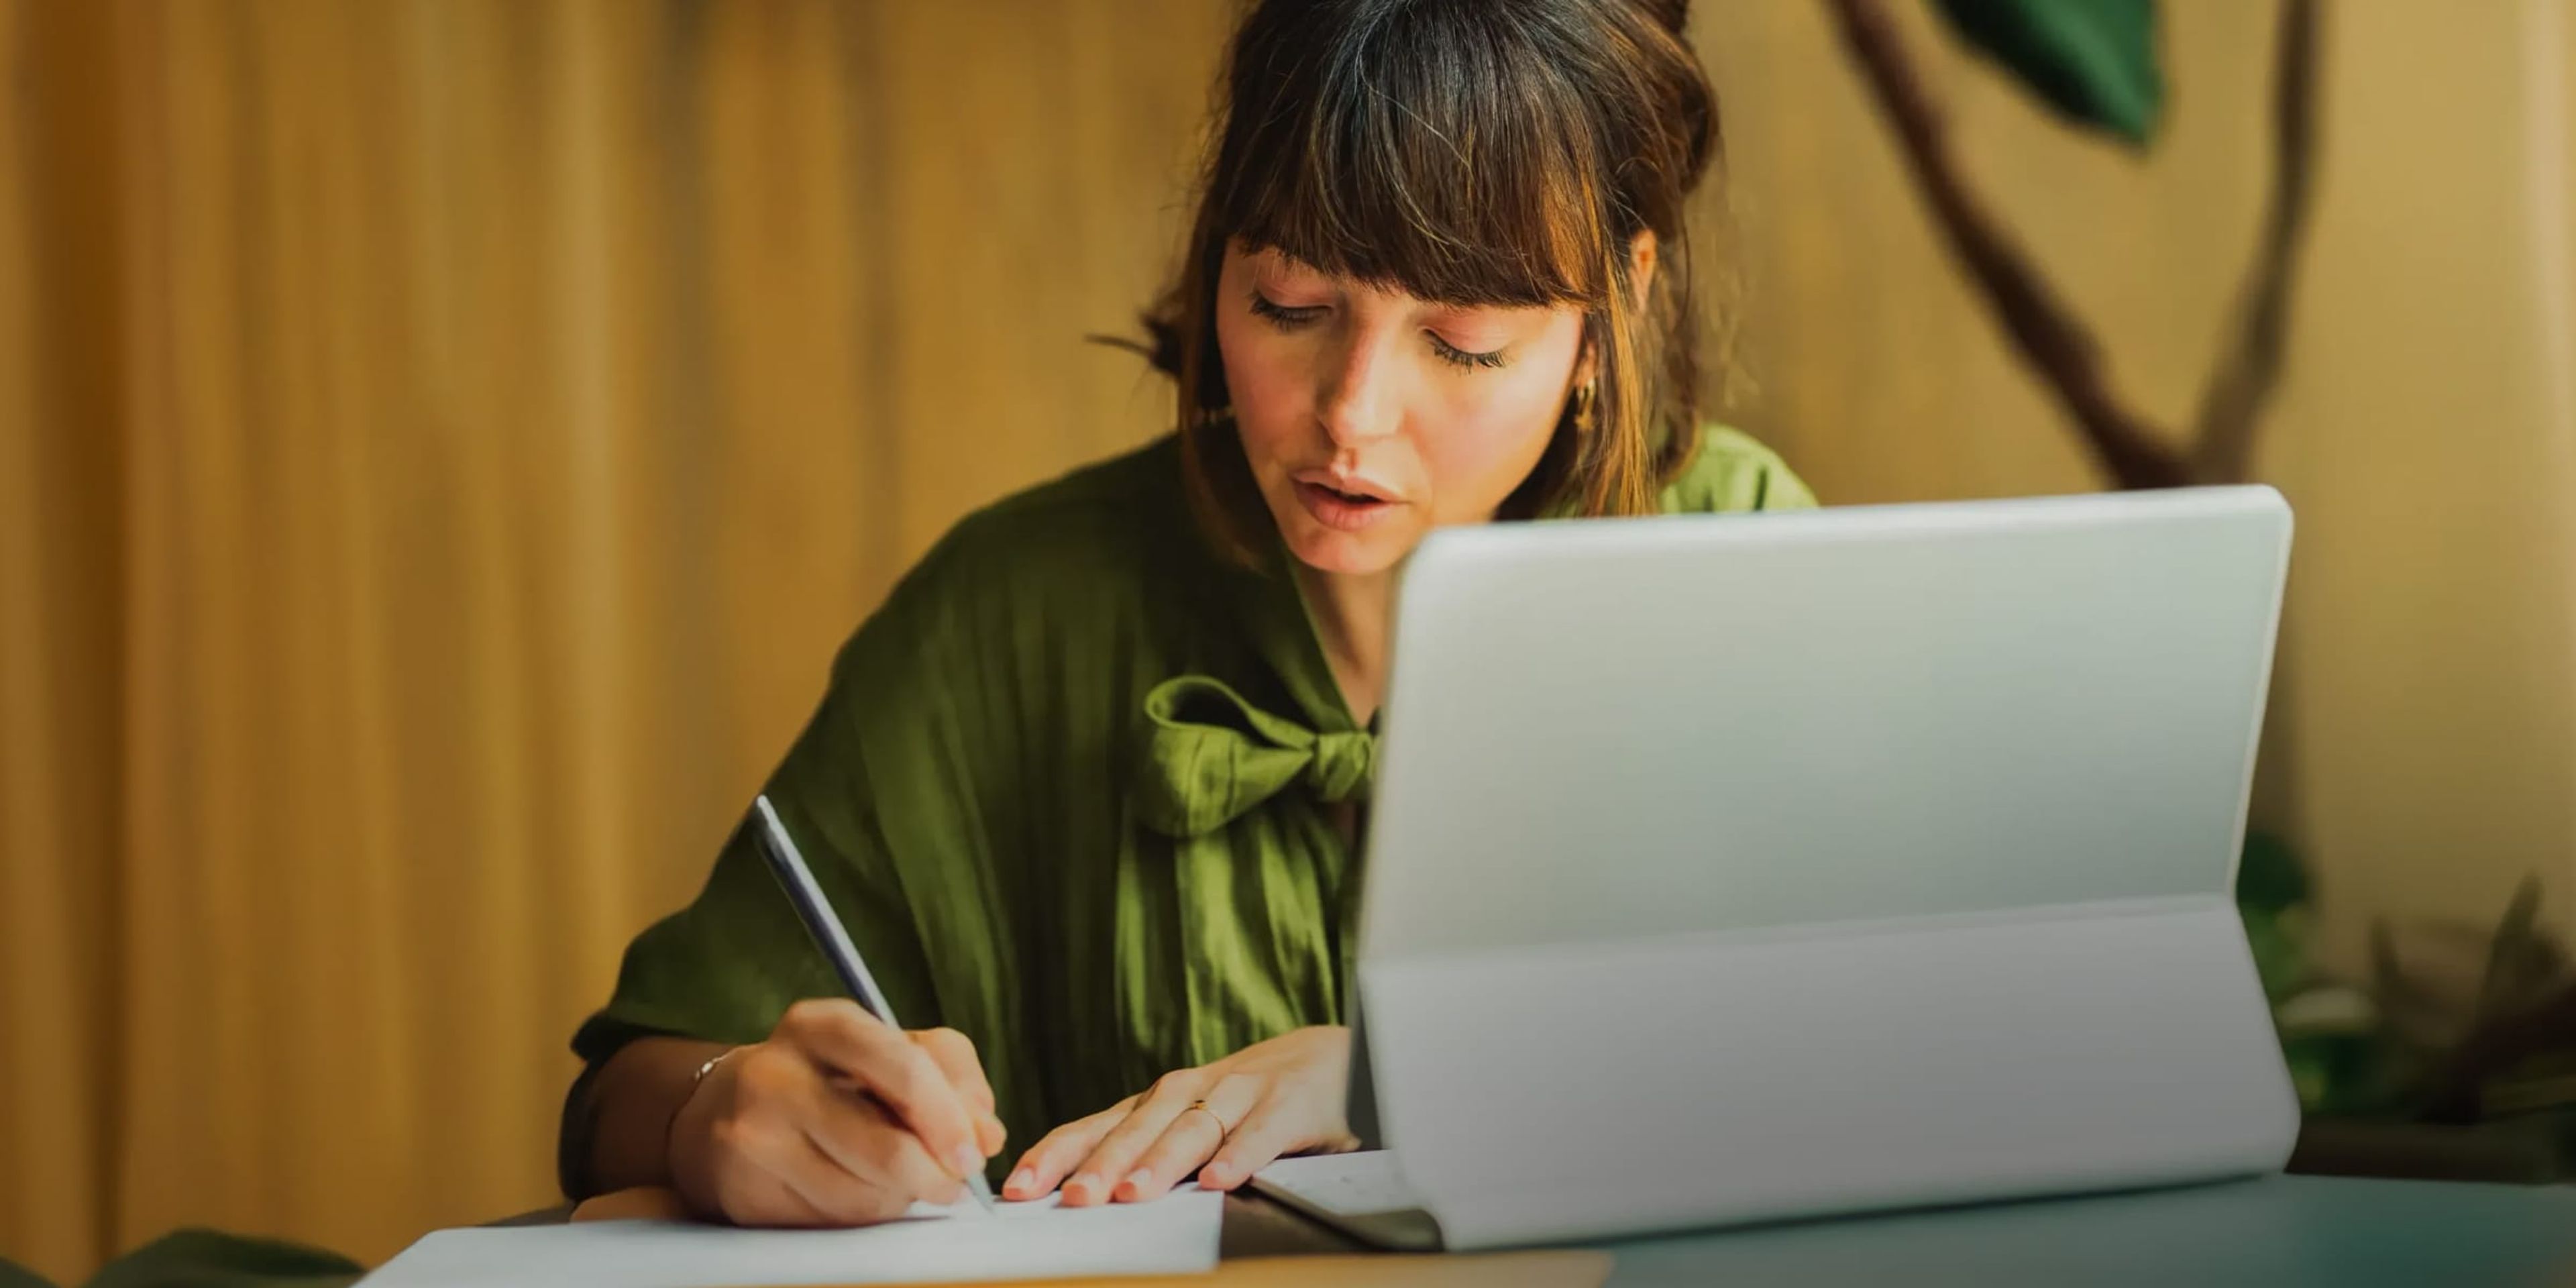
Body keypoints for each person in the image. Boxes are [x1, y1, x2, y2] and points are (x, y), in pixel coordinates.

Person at [558, 0, 1813, 1228]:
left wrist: (1403, 1079)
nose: (1353, 413)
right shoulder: (1017, 614)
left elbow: (1890, 1052)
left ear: (1618, 306)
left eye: (1465, 339)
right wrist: (723, 1112)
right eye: (1291, 304)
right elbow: (625, 1091)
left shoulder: (1746, 568)